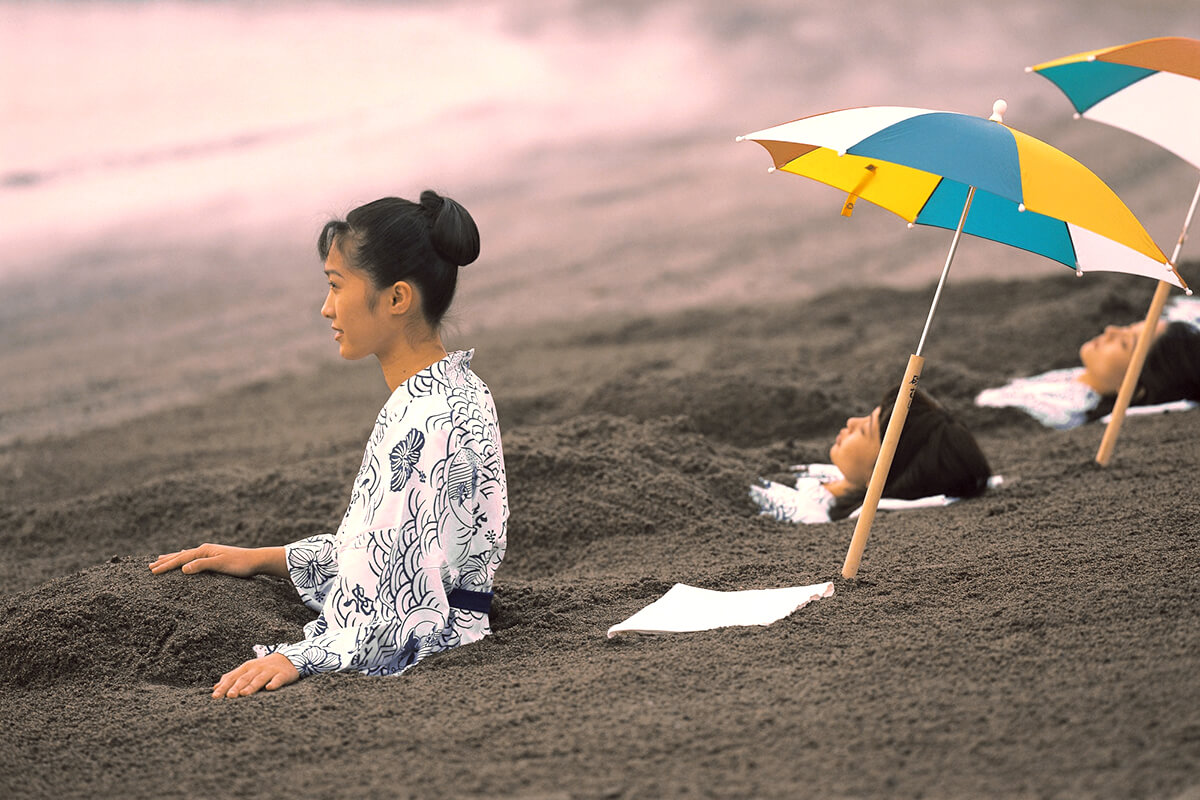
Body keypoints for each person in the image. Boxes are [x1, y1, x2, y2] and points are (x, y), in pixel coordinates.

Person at [150, 191, 508, 699]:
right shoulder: (461, 389)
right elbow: (384, 554)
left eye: (336, 286)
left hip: (436, 644)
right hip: (453, 621)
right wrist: (264, 558)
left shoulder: (423, 423)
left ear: (396, 298)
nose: (325, 308)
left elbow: (400, 607)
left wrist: (298, 656)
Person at [750, 386, 991, 524]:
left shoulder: (807, 513)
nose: (851, 422)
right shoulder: (830, 474)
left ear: (878, 476)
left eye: (864, 430)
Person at [975, 319, 1200, 429]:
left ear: (1135, 389)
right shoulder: (1075, 376)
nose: (1111, 330)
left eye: (1124, 343)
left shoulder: (1064, 412)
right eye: (1127, 327)